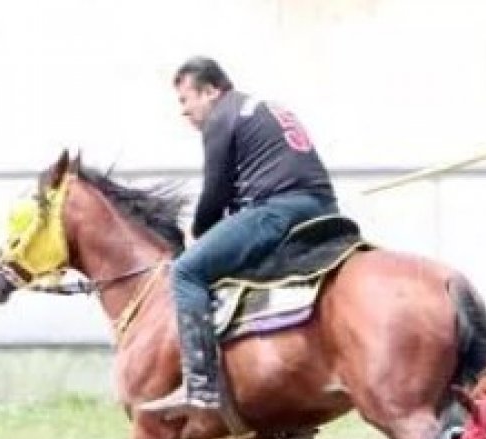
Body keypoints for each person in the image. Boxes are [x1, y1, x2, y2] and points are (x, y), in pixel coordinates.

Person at [140, 57, 340, 416]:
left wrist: (199, 235)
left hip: (278, 209)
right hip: (322, 207)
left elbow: (215, 192)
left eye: (186, 100)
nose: (183, 112)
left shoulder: (221, 117)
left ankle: (200, 386)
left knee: (186, 271)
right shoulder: (257, 108)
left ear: (211, 90)